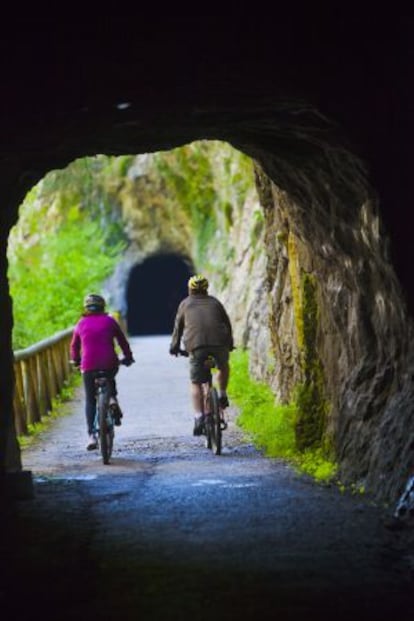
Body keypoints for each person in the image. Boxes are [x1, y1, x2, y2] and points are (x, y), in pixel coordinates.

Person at [169, 274, 234, 435]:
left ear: (190, 289)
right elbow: (227, 323)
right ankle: (222, 394)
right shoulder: (215, 302)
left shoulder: (185, 304)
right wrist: (230, 344)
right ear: (206, 289)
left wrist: (174, 347)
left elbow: (178, 328)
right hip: (219, 343)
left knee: (196, 382)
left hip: (197, 346)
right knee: (223, 366)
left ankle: (199, 417)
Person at [70, 293, 135, 450]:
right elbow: (122, 340)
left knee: (90, 400)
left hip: (89, 366)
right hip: (109, 363)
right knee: (110, 377)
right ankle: (111, 398)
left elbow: (74, 346)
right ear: (102, 307)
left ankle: (91, 436)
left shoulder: (81, 323)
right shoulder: (110, 321)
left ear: (86, 308)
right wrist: (128, 357)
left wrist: (76, 361)